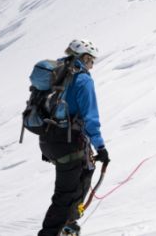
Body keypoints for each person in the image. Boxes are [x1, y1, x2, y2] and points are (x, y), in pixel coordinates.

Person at [38, 39, 109, 236]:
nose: (92, 65)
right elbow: (90, 118)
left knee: (85, 171)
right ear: (85, 57)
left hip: (49, 140)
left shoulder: (56, 74)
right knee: (65, 194)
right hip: (69, 143)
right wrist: (101, 148)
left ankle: (69, 224)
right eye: (92, 61)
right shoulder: (82, 80)